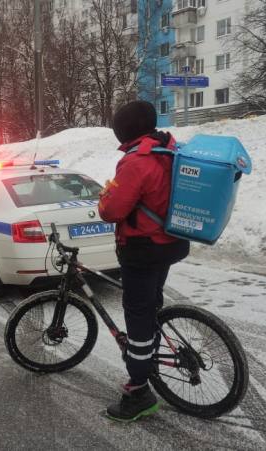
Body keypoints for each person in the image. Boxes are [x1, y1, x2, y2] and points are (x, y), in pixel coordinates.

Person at [98, 101, 191, 421]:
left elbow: (111, 210)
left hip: (142, 248)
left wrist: (105, 194)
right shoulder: (169, 149)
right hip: (170, 243)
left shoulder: (136, 160)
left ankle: (138, 390)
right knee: (150, 304)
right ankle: (149, 345)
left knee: (137, 318)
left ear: (124, 129)